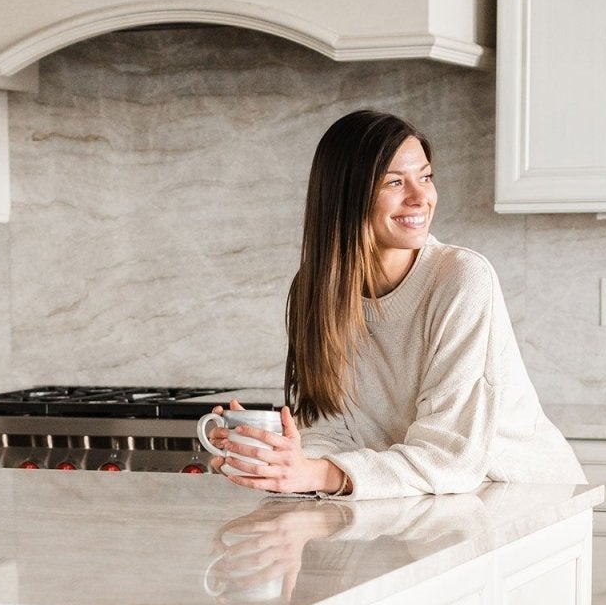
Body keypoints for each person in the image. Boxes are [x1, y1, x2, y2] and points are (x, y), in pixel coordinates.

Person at [209, 109, 584, 500]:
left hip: (525, 503)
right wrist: (276, 462)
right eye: (394, 182)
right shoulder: (316, 289)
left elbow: (448, 455)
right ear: (346, 195)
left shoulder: (461, 279)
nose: (421, 197)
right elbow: (330, 428)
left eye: (425, 177)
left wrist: (317, 474)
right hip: (418, 503)